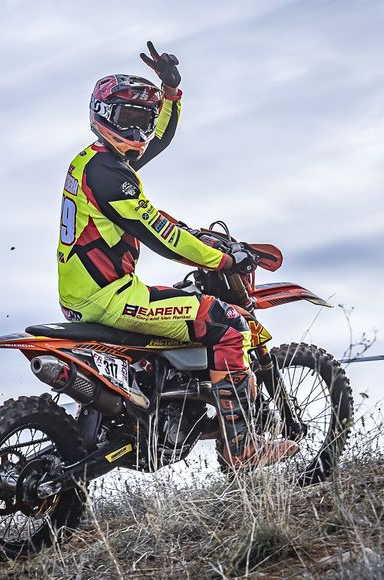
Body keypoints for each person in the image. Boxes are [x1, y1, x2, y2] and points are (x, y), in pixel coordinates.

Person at [56, 41, 299, 468]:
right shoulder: (110, 174)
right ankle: (242, 447)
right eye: (128, 118)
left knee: (171, 303)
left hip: (83, 298)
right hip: (111, 297)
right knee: (228, 324)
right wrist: (223, 259)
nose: (137, 129)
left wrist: (169, 94)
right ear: (103, 116)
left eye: (142, 119)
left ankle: (141, 407)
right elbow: (159, 234)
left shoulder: (97, 161)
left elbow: (160, 140)